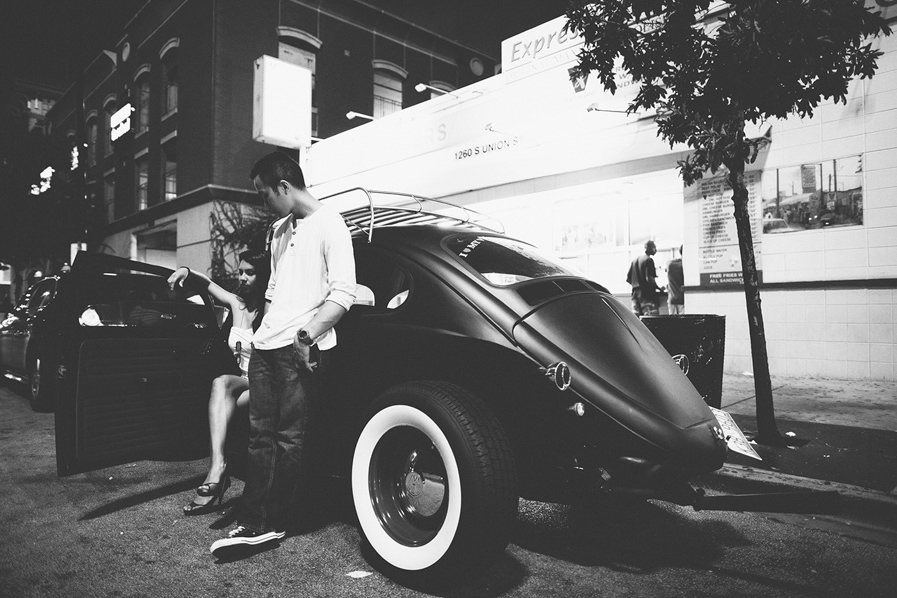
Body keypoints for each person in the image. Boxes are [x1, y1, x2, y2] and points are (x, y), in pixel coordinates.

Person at [210, 151, 356, 556]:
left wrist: (307, 336)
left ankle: (269, 523)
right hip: (265, 346)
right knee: (260, 437)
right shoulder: (278, 230)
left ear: (284, 186)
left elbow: (344, 293)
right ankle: (254, 519)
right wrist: (260, 334)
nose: (264, 203)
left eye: (264, 195)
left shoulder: (331, 224)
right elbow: (273, 291)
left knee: (290, 438)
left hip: (299, 348)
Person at [167, 250, 271, 515]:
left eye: (250, 273)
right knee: (221, 383)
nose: (242, 278)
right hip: (242, 382)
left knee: (222, 386)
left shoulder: (272, 310)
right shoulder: (237, 304)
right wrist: (185, 271)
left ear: (264, 276)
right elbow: (207, 284)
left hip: (264, 383)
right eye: (240, 272)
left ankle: (217, 474)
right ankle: (218, 467)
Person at [626, 240, 662, 316]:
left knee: (637, 320)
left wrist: (637, 284)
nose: (655, 250)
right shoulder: (649, 260)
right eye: (654, 247)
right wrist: (659, 288)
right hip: (647, 295)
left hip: (635, 296)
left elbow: (629, 279)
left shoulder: (634, 261)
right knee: (651, 320)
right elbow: (649, 279)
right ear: (648, 247)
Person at [666, 244, 684, 315]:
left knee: (672, 321)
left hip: (672, 299)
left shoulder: (670, 263)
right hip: (682, 300)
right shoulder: (685, 265)